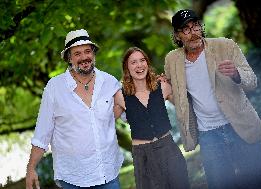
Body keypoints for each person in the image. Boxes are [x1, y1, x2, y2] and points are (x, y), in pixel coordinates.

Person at [164, 9, 261, 189]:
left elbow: (252, 81)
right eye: (186, 29)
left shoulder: (225, 46)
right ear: (177, 35)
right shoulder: (172, 60)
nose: (193, 32)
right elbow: (178, 97)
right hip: (209, 135)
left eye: (195, 26)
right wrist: (164, 88)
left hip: (240, 125)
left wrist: (236, 74)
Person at [25, 29, 124, 189]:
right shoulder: (54, 88)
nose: (84, 57)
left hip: (108, 173)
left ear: (93, 54)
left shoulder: (109, 82)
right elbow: (42, 133)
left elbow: (127, 112)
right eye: (77, 53)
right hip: (73, 178)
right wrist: (31, 169)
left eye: (87, 51)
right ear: (69, 58)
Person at [113, 47, 190, 189]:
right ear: (127, 68)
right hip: (142, 155)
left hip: (168, 149)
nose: (139, 65)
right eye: (133, 62)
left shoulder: (163, 86)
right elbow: (103, 122)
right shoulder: (120, 95)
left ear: (147, 63)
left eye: (142, 60)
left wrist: (173, 82)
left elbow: (186, 106)